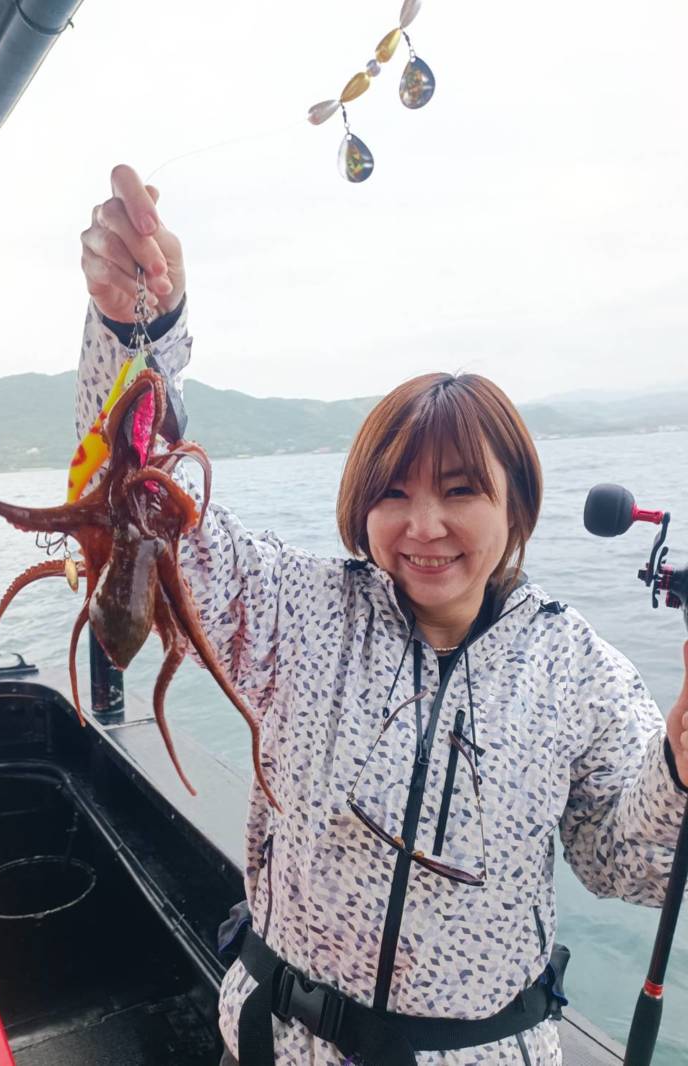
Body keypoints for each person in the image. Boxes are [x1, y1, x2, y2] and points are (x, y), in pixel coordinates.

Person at [77, 164, 688, 1066]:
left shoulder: (579, 668)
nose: (423, 525)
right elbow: (137, 498)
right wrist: (140, 332)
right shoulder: (300, 607)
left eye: (461, 491)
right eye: (393, 492)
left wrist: (676, 764)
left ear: (516, 505)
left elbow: (625, 865)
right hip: (279, 1041)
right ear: (362, 504)